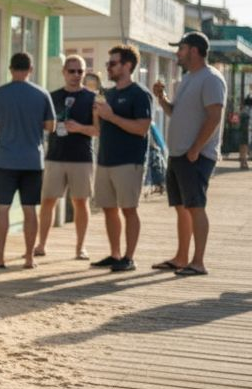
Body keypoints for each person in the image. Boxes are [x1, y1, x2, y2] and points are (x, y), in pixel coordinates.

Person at [151, 31, 225, 276]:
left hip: (196, 156)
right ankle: (181, 258)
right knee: (182, 207)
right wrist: (161, 99)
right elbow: (177, 112)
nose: (177, 53)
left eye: (180, 48)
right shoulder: (187, 79)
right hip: (179, 154)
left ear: (193, 50)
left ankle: (198, 262)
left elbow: (215, 117)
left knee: (195, 206)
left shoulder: (211, 78)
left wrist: (195, 150)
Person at [0, 51, 55, 269]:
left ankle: (0, 257)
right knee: (30, 209)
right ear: (31, 69)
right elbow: (50, 127)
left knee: (2, 208)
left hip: (5, 159)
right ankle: (29, 258)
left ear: (11, 68)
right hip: (33, 160)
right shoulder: (42, 94)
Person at [90, 45, 153, 272]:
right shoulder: (109, 93)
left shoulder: (140, 94)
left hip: (129, 161)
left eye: (113, 63)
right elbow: (99, 129)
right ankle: (115, 254)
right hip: (106, 160)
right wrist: (97, 115)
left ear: (127, 66)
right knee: (108, 208)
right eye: (108, 64)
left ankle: (129, 257)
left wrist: (111, 116)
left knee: (128, 209)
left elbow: (142, 128)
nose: (108, 67)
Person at [35, 55, 97, 261]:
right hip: (55, 156)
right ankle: (41, 244)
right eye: (72, 71)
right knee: (48, 201)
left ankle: (80, 247)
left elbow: (98, 130)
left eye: (80, 71)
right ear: (63, 72)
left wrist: (79, 128)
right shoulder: (51, 97)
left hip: (82, 158)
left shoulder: (92, 98)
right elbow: (42, 125)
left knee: (80, 202)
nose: (76, 75)